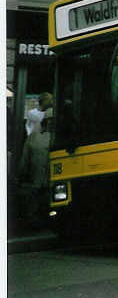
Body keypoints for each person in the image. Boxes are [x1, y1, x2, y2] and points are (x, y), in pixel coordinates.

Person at [17, 96, 52, 230]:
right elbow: (25, 160)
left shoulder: (36, 137)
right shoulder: (36, 137)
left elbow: (25, 160)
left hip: (44, 180)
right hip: (39, 180)